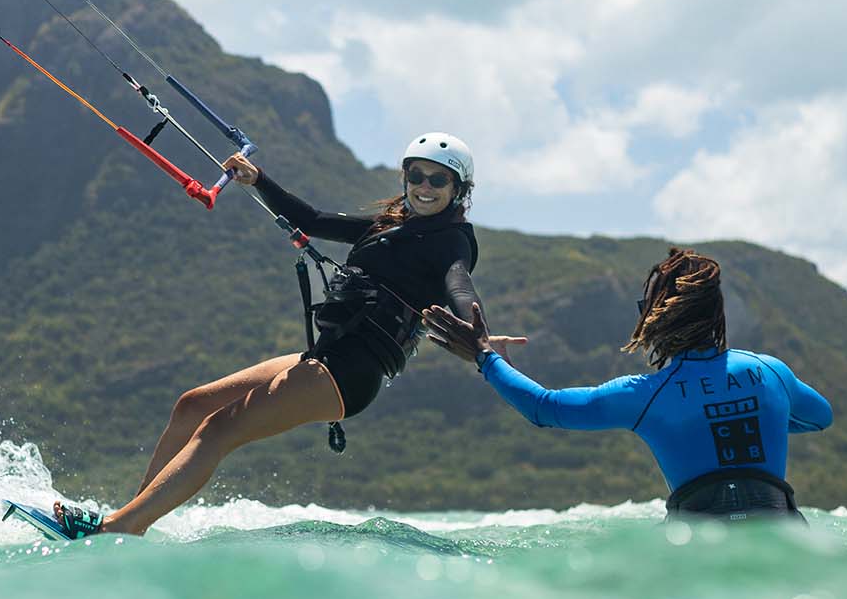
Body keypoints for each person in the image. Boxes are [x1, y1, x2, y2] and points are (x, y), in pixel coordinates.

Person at [47, 132, 523, 537]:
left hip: (352, 372)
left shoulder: (452, 239)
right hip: (325, 356)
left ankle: (117, 529)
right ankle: (134, 520)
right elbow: (313, 220)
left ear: (459, 188)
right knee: (192, 406)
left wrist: (479, 332)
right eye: (415, 175)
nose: (423, 186)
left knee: (219, 429)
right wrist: (259, 180)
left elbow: (459, 281)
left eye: (437, 179)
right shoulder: (389, 226)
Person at [421, 248, 833, 522]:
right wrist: (759, 415)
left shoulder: (646, 395)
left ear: (657, 318)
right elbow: (820, 417)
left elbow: (545, 408)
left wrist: (486, 358)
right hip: (782, 533)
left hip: (700, 546)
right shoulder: (772, 373)